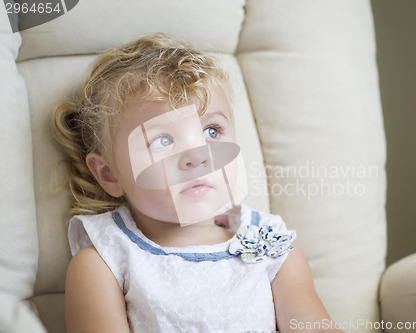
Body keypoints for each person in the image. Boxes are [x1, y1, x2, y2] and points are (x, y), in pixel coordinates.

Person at [53, 33, 343, 333]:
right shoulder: (105, 261)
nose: (197, 157)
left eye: (212, 132)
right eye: (162, 140)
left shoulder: (270, 246)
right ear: (109, 174)